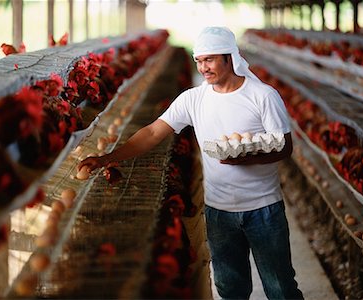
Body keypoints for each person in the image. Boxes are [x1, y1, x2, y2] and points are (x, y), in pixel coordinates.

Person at [78, 26, 304, 300]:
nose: (203, 67)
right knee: (231, 289)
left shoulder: (263, 96)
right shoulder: (193, 99)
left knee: (280, 288)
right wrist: (106, 158)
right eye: (199, 60)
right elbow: (151, 133)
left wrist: (248, 156)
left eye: (209, 60)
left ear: (230, 58)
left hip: (263, 208)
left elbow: (285, 146)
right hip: (218, 212)